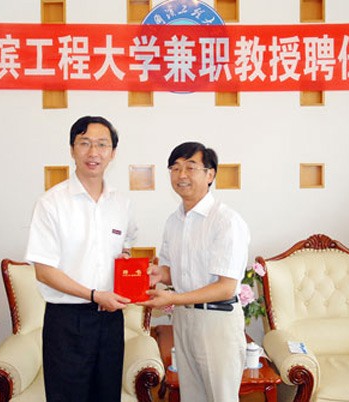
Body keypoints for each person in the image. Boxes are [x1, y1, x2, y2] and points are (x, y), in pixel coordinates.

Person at [25, 115, 137, 402]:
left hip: (111, 320)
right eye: (85, 143)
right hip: (67, 321)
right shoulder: (51, 203)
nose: (93, 152)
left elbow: (125, 245)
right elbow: (44, 271)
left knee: (107, 394)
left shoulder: (121, 203)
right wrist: (94, 295)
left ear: (113, 152)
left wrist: (126, 261)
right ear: (72, 149)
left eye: (102, 144)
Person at [139, 141, 250, 402]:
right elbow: (175, 272)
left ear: (210, 174)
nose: (182, 175)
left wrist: (174, 298)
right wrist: (159, 274)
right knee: (191, 396)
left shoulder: (226, 221)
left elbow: (225, 287)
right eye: (175, 168)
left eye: (191, 167)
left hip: (217, 321)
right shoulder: (173, 221)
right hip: (184, 320)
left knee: (221, 397)